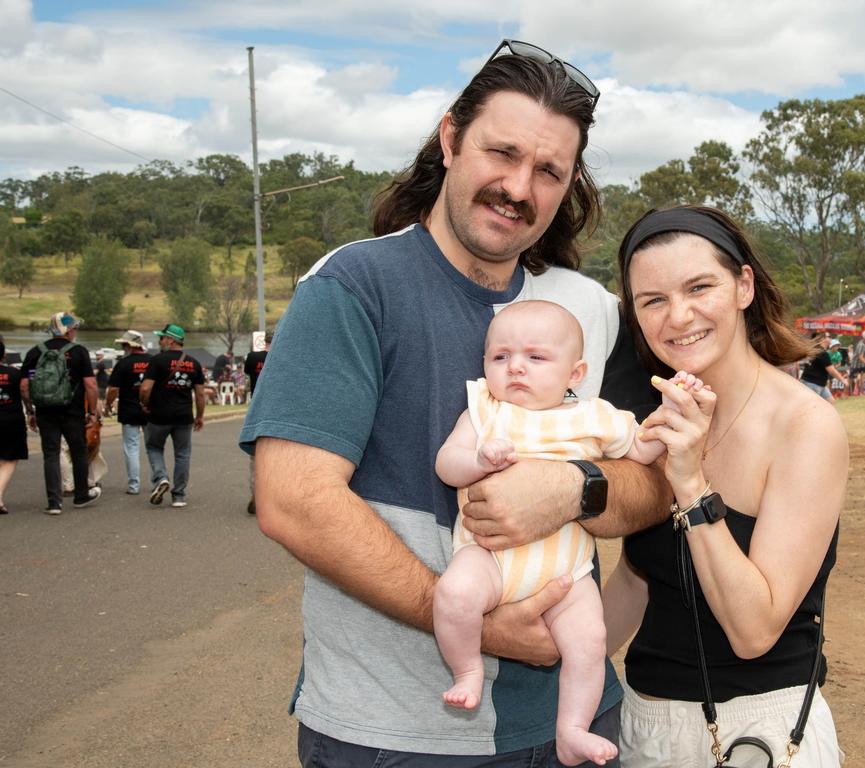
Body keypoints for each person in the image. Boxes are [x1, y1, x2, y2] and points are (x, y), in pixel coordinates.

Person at [240, 39, 670, 767]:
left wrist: (575, 486)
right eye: (501, 153)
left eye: (548, 172)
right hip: (396, 731)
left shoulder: (588, 311)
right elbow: (294, 499)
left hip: (574, 721)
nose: (519, 186)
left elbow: (652, 486)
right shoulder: (352, 286)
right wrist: (483, 624)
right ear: (449, 138)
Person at [604, 205, 848, 767]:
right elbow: (639, 579)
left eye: (699, 287)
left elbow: (754, 628)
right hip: (644, 724)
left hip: (758, 730)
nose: (678, 316)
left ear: (743, 286)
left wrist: (690, 483)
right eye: (653, 300)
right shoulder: (656, 416)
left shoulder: (804, 425)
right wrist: (544, 654)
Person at [434, 302, 663, 766]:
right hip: (489, 558)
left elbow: (641, 450)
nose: (515, 366)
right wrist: (478, 460)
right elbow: (446, 463)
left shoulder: (596, 416)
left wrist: (669, 420)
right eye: (500, 357)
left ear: (574, 372)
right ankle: (468, 670)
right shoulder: (485, 412)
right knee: (455, 594)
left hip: (567, 573)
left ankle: (572, 728)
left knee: (589, 641)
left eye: (535, 358)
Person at [19, 311, 102, 515]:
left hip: (46, 412)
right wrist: (92, 413)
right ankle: (81, 495)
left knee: (51, 454)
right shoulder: (79, 352)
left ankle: (54, 502)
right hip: (72, 412)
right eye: (74, 328)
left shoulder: (34, 352)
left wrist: (30, 410)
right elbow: (90, 384)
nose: (75, 332)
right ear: (69, 330)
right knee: (78, 451)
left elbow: (24, 385)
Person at [140, 324, 205, 508]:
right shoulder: (194, 363)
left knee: (153, 447)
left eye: (162, 338)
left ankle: (161, 478)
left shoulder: (157, 360)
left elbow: (145, 388)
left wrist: (144, 403)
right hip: (184, 416)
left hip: (159, 415)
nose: (160, 341)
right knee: (182, 454)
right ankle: (179, 495)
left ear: (170, 340)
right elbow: (200, 394)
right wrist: (199, 416)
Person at [104, 330, 151, 495]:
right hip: (150, 410)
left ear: (130, 345)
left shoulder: (123, 364)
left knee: (131, 448)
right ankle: (158, 481)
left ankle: (134, 485)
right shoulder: (153, 361)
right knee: (152, 448)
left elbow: (113, 389)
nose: (123, 348)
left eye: (124, 344)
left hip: (129, 410)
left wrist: (108, 405)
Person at [0, 335, 30, 514]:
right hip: (11, 419)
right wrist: (30, 411)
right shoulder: (14, 373)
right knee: (9, 459)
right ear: (3, 355)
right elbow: (25, 392)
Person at [244, 332, 272, 515]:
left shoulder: (253, 358)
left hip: (257, 406)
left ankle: (256, 492)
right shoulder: (284, 354)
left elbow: (248, 374)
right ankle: (272, 496)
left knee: (255, 454)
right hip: (277, 408)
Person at [800, 335, 848, 401]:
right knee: (814, 407)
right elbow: (831, 370)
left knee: (831, 402)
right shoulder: (822, 353)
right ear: (823, 339)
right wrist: (843, 380)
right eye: (828, 337)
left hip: (820, 384)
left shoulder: (816, 349)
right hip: (812, 383)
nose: (830, 338)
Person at [244, 331, 272, 397]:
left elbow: (246, 371)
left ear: (265, 342)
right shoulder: (275, 357)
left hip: (255, 392)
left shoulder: (251, 355)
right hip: (270, 392)